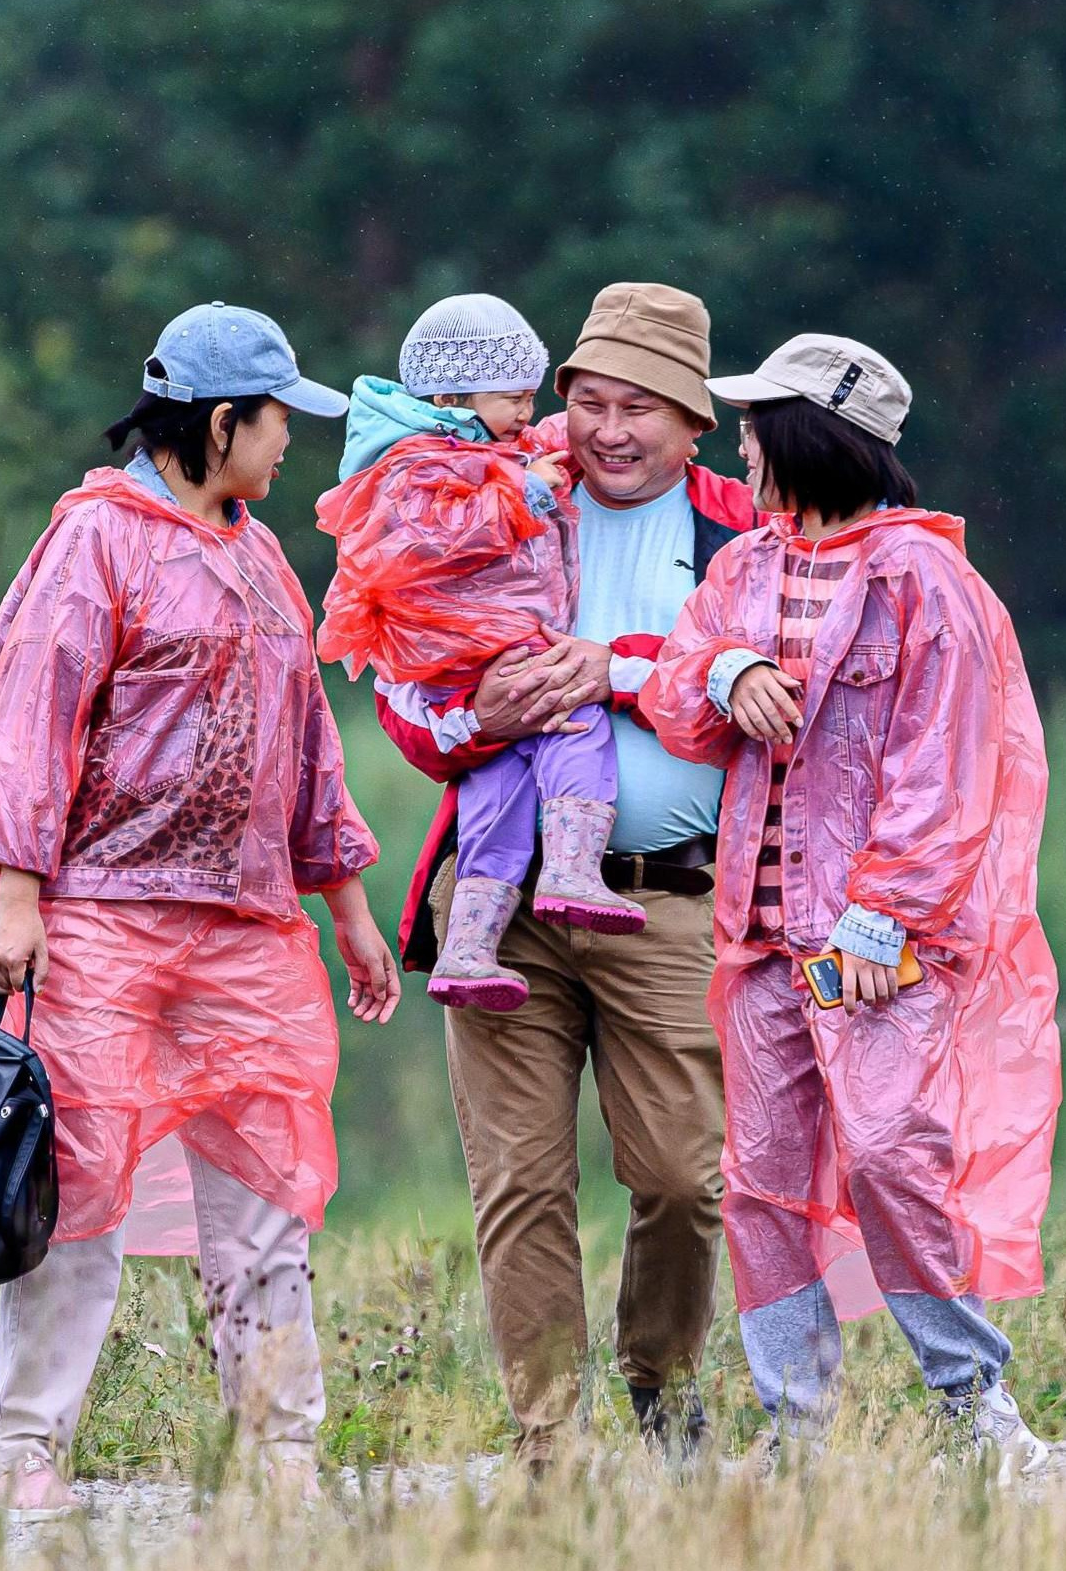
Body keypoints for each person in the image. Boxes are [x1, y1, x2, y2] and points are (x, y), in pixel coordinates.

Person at [0, 301, 404, 1516]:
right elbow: (31, 719)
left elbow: (310, 744)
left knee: (264, 1189)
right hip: (100, 913)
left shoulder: (260, 555)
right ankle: (23, 1453)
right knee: (79, 1188)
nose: (287, 446)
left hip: (247, 922)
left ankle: (279, 1452)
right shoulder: (94, 543)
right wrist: (17, 892)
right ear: (219, 423)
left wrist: (345, 903)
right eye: (276, 424)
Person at [632, 334, 1063, 1477]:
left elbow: (948, 766)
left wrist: (887, 915)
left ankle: (977, 1409)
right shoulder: (747, 569)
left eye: (759, 421)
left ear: (814, 434)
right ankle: (796, 1429)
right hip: (761, 939)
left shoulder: (928, 583)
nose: (743, 441)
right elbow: (679, 690)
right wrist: (727, 671)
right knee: (760, 1176)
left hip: (876, 945)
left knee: (886, 1151)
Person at [369, 283, 756, 1465]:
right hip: (502, 907)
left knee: (686, 1177)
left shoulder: (742, 530)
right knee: (521, 1182)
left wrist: (616, 671)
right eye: (587, 401)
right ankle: (550, 1435)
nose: (608, 430)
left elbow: (762, 682)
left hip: (667, 898)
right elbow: (403, 669)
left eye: (641, 407)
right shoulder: (497, 491)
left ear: (693, 422)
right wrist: (469, 715)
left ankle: (659, 1383)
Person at [317, 294, 650, 1013]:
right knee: (576, 722)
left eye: (532, 397)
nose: (526, 414)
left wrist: (604, 415)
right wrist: (523, 494)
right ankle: (570, 867)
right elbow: (426, 538)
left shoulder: (493, 447)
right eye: (513, 398)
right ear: (451, 395)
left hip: (478, 662)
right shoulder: (412, 464)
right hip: (473, 649)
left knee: (494, 792)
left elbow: (549, 441)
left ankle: (469, 950)